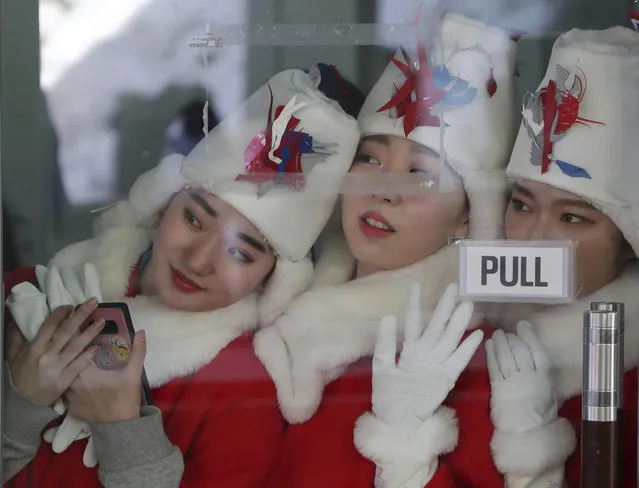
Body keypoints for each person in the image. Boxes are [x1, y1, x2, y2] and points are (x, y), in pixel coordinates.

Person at [2, 68, 360, 487]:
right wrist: (21, 407)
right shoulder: (24, 293)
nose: (199, 260)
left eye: (240, 253)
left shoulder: (244, 393)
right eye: (193, 219)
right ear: (160, 207)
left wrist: (123, 431)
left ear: (271, 279)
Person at [255, 13, 518, 487]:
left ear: (469, 216)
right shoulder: (272, 290)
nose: (384, 190)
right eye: (370, 158)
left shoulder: (466, 358)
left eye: (421, 175)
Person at [485, 26, 639, 488]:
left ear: (628, 241)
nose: (534, 238)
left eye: (573, 218)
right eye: (522, 205)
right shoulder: (459, 347)